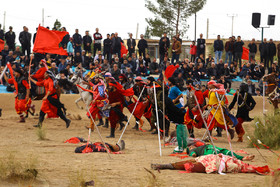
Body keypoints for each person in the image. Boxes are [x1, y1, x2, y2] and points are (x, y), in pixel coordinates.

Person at [151, 154, 269, 175]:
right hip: (209, 158)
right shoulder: (235, 158)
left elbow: (230, 166)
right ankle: (163, 165)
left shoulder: (242, 166)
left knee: (188, 165)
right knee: (186, 162)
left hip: (214, 163)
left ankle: (162, 166)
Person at [188, 144, 255, 161]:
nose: (192, 146)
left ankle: (242, 158)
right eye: (190, 147)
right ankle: (231, 159)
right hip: (206, 150)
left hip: (210, 146)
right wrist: (192, 153)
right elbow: (193, 154)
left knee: (226, 151)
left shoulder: (199, 145)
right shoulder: (192, 150)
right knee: (216, 154)